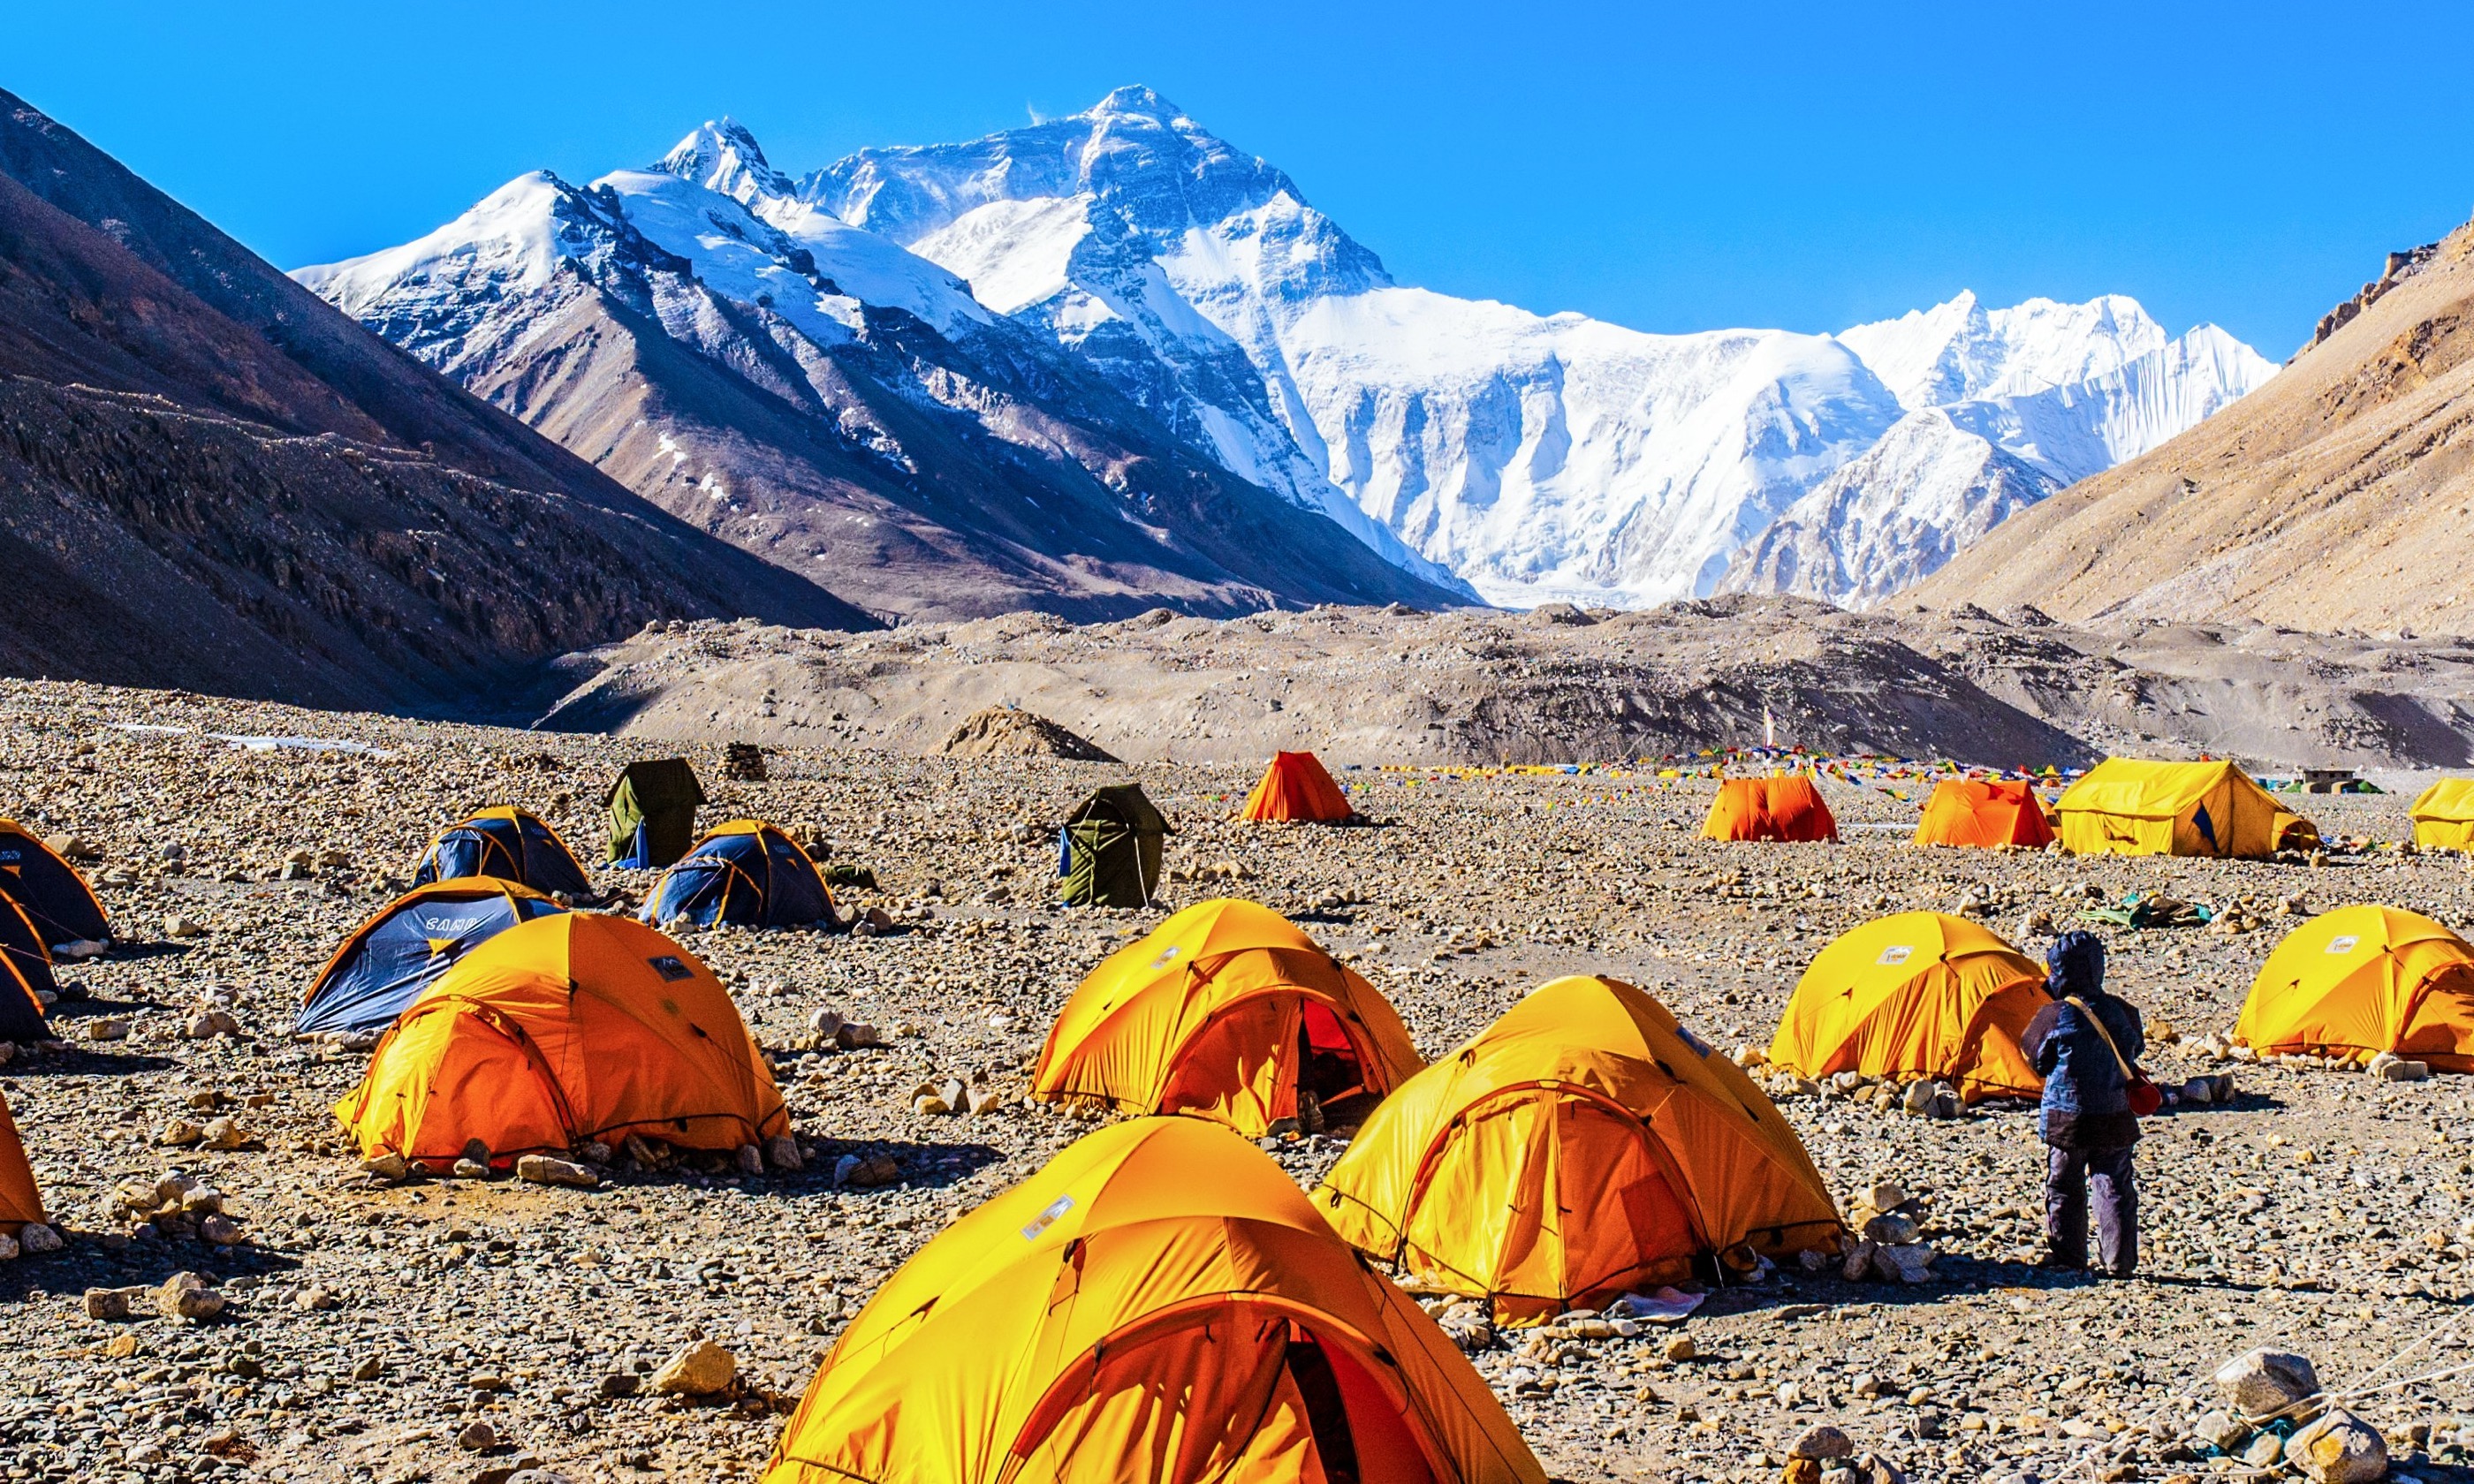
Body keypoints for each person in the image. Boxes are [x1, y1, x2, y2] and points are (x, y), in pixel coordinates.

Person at [2020, 930, 2144, 1276]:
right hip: (2115, 1115)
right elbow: (2135, 1049)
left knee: (2064, 1186)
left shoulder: (2054, 1015)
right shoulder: (2122, 1011)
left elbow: (2035, 1058)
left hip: (2067, 1119)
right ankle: (2120, 1261)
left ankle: (2069, 1257)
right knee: (2115, 1186)